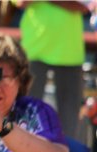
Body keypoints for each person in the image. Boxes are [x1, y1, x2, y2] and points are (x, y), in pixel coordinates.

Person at [16, 0, 89, 141]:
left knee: (69, 121)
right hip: (33, 52)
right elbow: (21, 2)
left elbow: (83, 6)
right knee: (26, 114)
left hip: (70, 54)